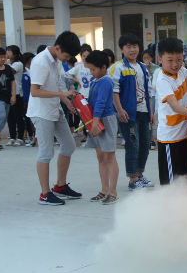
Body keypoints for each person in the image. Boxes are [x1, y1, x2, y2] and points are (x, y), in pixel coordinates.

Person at [26, 31, 83, 206]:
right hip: (41, 112)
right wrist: (62, 94)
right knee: (46, 152)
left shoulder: (57, 60)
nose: (67, 59)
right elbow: (35, 91)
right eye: (66, 55)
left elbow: (57, 85)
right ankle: (45, 194)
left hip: (54, 108)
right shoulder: (41, 62)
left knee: (68, 145)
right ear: (57, 47)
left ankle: (60, 186)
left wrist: (66, 101)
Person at [154, 38, 187, 186]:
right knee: (172, 184)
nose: (175, 64)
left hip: (186, 135)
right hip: (170, 139)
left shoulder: (183, 71)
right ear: (159, 59)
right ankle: (171, 209)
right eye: (170, 60)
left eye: (179, 59)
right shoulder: (163, 80)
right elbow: (174, 106)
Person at [110, 33, 155, 191]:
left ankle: (140, 175)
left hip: (143, 112)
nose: (132, 49)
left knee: (144, 145)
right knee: (132, 145)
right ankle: (132, 179)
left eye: (135, 46)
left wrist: (151, 111)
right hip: (128, 114)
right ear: (122, 49)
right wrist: (120, 110)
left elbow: (148, 91)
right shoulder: (118, 67)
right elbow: (114, 91)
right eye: (128, 47)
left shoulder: (143, 67)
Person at [83, 51, 120, 204]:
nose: (92, 73)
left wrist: (94, 122)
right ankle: (104, 190)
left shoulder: (106, 81)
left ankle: (113, 191)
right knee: (101, 157)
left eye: (93, 69)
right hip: (95, 120)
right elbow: (91, 103)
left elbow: (101, 103)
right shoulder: (96, 80)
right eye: (90, 70)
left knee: (109, 157)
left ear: (104, 67)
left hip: (104, 120)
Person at [21, 52, 36, 147]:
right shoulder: (27, 72)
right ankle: (30, 137)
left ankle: (32, 137)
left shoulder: (29, 71)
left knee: (30, 119)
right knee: (28, 119)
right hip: (28, 99)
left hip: (29, 98)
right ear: (31, 59)